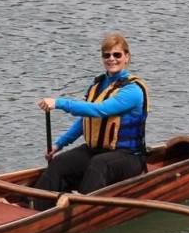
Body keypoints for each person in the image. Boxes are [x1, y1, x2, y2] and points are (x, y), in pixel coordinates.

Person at [33, 32, 149, 210]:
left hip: (128, 156)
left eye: (117, 55)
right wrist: (59, 144)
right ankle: (34, 207)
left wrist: (59, 103)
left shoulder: (132, 91)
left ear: (127, 57)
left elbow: (99, 110)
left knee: (99, 164)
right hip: (96, 150)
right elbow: (85, 121)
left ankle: (81, 209)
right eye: (107, 55)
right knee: (60, 162)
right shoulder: (98, 85)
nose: (112, 59)